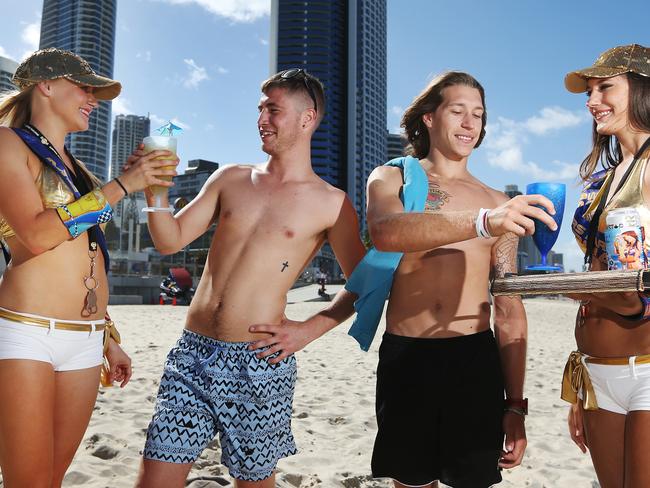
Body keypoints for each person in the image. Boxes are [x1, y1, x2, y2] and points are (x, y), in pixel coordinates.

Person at [134, 68, 367, 488]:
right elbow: (169, 239)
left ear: (306, 117)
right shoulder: (230, 178)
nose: (261, 119)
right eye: (260, 109)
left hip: (259, 362)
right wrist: (156, 192)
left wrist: (310, 330)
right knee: (154, 479)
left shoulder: (332, 204)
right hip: (193, 355)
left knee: (254, 482)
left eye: (273, 110)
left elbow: (364, 285)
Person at [348, 71, 558, 488]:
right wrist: (484, 222)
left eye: (477, 115)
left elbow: (509, 307)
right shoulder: (394, 178)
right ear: (428, 117)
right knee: (410, 482)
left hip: (474, 361)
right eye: (457, 111)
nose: (469, 124)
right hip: (407, 358)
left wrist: (515, 405)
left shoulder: (499, 201)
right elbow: (387, 232)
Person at [0, 48, 176, 487]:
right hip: (26, 332)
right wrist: (121, 186)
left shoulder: (78, 171)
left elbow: (86, 254)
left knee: (53, 480)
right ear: (46, 84)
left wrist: (108, 335)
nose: (94, 100)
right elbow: (38, 237)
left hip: (85, 340)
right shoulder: (6, 143)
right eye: (85, 88)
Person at [561, 43, 650, 488]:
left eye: (605, 88)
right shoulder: (598, 179)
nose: (592, 101)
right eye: (589, 92)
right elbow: (598, 268)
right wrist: (579, 388)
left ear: (640, 89)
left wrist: (580, 286)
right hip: (596, 371)